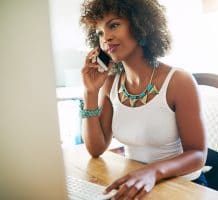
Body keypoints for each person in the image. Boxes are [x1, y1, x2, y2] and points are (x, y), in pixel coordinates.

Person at [79, 0, 207, 199]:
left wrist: (152, 171)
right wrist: (90, 93)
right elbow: (96, 149)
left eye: (113, 25)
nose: (106, 38)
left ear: (140, 25)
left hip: (182, 186)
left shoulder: (179, 81)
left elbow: (198, 155)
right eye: (100, 33)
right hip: (137, 184)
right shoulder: (111, 82)